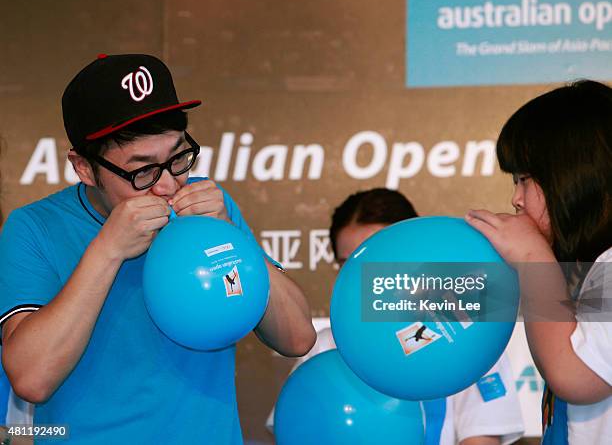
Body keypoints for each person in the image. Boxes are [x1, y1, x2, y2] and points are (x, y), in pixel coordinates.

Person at [0, 53, 315, 444]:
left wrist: (229, 233)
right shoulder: (35, 227)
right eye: (142, 170)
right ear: (83, 167)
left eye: (177, 157)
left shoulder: (209, 206)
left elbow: (297, 338)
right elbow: (32, 378)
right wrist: (108, 250)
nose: (166, 185)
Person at [269, 188, 525, 445]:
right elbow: (295, 428)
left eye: (375, 262)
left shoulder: (466, 339)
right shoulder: (325, 348)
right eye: (348, 265)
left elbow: (482, 439)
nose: (361, 280)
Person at [466, 80, 612, 444]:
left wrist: (533, 258)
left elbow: (576, 373)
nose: (515, 199)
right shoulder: (593, 268)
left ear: (575, 173)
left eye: (524, 179)